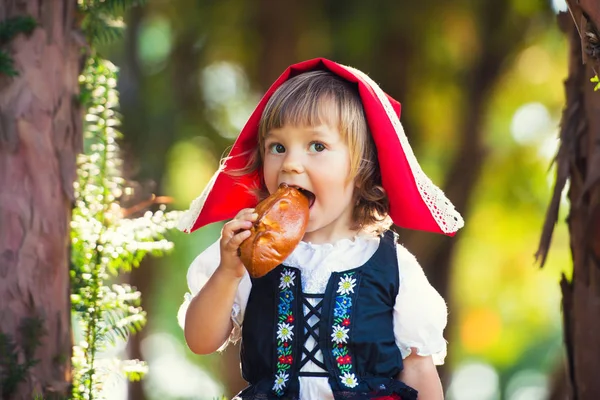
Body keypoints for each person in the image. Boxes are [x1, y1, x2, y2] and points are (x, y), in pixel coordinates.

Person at [177, 58, 464, 400]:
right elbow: (200, 342)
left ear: (361, 167)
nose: (291, 163)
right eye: (277, 147)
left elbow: (418, 367)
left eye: (317, 146)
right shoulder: (246, 255)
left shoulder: (394, 266)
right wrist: (227, 272)